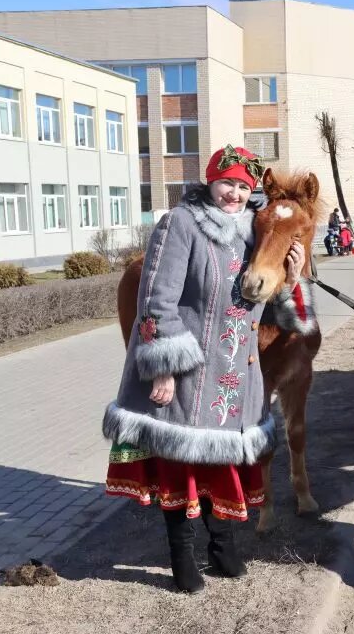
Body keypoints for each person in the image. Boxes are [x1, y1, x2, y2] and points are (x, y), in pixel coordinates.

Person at [102, 145, 313, 594]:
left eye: (242, 187)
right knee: (180, 465)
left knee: (226, 466)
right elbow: (155, 302)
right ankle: (182, 555)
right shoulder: (179, 225)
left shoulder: (250, 233)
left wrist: (290, 281)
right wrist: (163, 368)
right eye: (227, 184)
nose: (234, 195)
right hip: (189, 371)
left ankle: (222, 546)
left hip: (234, 374)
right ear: (209, 182)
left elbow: (255, 307)